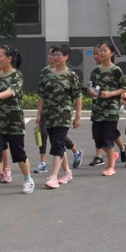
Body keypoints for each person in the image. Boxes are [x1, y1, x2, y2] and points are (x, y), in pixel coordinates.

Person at [0, 45, 35, 198]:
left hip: (14, 121)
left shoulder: (17, 75)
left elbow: (11, 91)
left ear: (9, 59)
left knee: (19, 154)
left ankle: (28, 179)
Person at [37, 44, 83, 189]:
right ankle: (67, 172)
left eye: (58, 55)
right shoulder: (47, 74)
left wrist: (78, 116)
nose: (55, 57)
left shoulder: (71, 75)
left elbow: (78, 96)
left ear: (66, 57)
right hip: (49, 115)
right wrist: (39, 114)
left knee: (57, 144)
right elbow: (42, 96)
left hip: (63, 115)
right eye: (53, 54)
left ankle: (53, 177)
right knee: (58, 144)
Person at [89, 40, 126, 176]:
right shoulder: (95, 70)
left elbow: (124, 88)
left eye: (104, 50)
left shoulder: (116, 70)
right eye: (100, 50)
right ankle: (114, 154)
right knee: (98, 138)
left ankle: (111, 166)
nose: (101, 53)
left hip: (111, 109)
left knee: (108, 136)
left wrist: (111, 93)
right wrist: (92, 91)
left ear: (111, 53)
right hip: (97, 108)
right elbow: (91, 85)